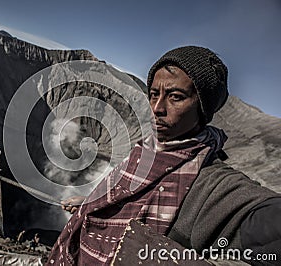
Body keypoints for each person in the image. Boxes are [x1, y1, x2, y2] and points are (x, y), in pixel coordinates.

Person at [47, 46, 281, 265]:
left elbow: (269, 224)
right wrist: (92, 205)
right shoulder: (144, 153)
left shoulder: (212, 186)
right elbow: (125, 198)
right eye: (153, 94)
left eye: (176, 96)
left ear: (203, 108)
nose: (157, 107)